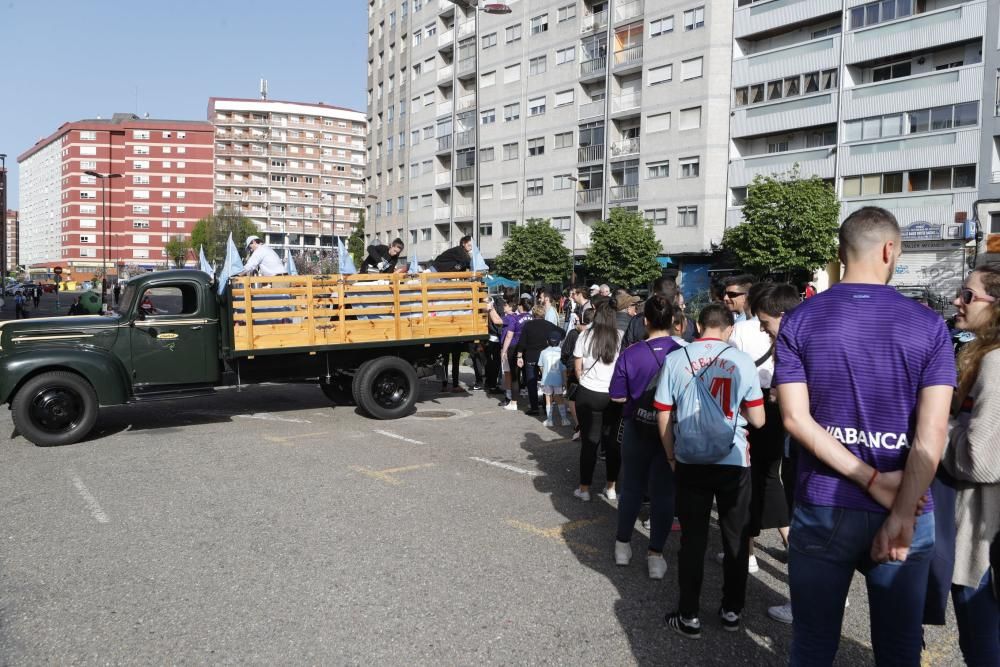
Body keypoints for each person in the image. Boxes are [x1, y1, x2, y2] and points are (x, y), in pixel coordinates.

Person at [773, 206, 955, 665]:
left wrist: (870, 479)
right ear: (890, 250)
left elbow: (795, 419)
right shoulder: (929, 325)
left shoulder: (800, 320)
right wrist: (898, 507)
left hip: (824, 501)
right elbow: (932, 432)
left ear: (841, 252)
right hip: (908, 503)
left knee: (812, 644)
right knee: (898, 649)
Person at [656, 303, 765, 638]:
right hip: (733, 460)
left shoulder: (676, 359)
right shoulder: (742, 361)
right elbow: (758, 419)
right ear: (729, 329)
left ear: (698, 326)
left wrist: (671, 455)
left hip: (690, 461)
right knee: (736, 540)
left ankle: (689, 615)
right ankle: (732, 611)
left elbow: (663, 412)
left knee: (693, 540)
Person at [942, 264, 1000, 665]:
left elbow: (981, 461)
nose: (956, 302)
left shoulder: (995, 364)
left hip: (984, 546)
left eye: (967, 295)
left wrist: (937, 423)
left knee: (982, 650)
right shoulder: (983, 356)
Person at [609, 295, 682, 580]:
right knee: (664, 493)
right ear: (674, 322)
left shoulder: (631, 353)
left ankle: (622, 545)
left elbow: (616, 395)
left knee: (632, 488)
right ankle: (655, 556)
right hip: (671, 431)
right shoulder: (682, 352)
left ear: (645, 321)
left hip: (635, 426)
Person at [745, 282, 803, 625]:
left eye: (766, 323)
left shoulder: (792, 347)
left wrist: (774, 398)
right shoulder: (814, 339)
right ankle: (823, 594)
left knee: (803, 520)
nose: (765, 331)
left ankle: (805, 600)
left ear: (783, 315)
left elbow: (792, 398)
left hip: (803, 445)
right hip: (805, 445)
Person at [721, 282, 780, 576]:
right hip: (779, 406)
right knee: (769, 478)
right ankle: (779, 546)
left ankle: (749, 552)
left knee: (748, 481)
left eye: (733, 295)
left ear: (750, 299)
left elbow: (731, 371)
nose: (727, 299)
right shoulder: (786, 328)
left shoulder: (742, 332)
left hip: (750, 406)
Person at [572, 302, 622, 501]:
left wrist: (583, 379)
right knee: (612, 444)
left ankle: (584, 489)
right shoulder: (620, 337)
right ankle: (611, 487)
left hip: (588, 393)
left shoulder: (585, 335)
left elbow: (577, 366)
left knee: (589, 443)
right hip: (613, 395)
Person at [516, 305, 564, 416]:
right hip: (545, 355)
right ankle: (546, 404)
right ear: (543, 314)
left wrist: (519, 357)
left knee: (531, 381)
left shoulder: (528, 325)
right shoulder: (549, 325)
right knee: (546, 380)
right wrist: (553, 342)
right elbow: (562, 332)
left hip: (531, 356)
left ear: (533, 314)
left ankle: (534, 407)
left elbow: (522, 342)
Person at [563, 308, 591, 440]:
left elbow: (565, 352)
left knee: (573, 398)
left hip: (575, 369)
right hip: (593, 372)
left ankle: (579, 425)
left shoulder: (574, 333)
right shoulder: (601, 333)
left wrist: (568, 365)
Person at [501, 297, 532, 410]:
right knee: (530, 376)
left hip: (515, 347)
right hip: (529, 349)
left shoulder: (515, 318)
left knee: (515, 376)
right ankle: (533, 403)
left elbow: (509, 335)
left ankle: (514, 403)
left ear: (520, 306)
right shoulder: (533, 318)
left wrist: (504, 351)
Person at [538, 331, 571, 427]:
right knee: (559, 399)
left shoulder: (543, 352)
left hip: (547, 380)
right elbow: (564, 370)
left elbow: (541, 367)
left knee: (548, 399)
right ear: (560, 341)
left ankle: (549, 420)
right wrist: (565, 382)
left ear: (547, 341)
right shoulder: (561, 352)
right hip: (558, 380)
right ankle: (564, 419)